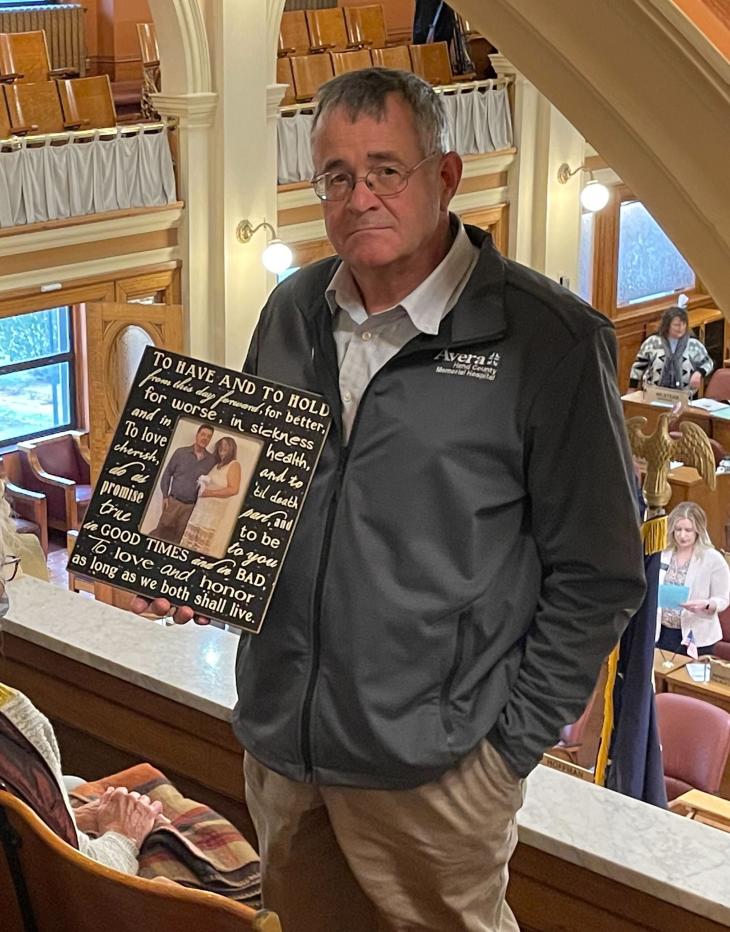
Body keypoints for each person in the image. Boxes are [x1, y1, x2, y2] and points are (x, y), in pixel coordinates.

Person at [138, 68, 646, 931]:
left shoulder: (547, 340)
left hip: (436, 774)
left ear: (443, 177)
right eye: (337, 176)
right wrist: (189, 566)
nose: (360, 197)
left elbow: (600, 574)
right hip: (286, 752)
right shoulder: (293, 309)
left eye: (386, 170)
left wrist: (504, 749)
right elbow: (251, 491)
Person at [0, 485, 259, 896]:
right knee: (210, 844)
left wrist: (72, 814)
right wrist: (123, 834)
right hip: (42, 898)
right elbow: (84, 875)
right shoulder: (3, 714)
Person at [656, 501, 729, 656]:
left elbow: (723, 598)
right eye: (678, 530)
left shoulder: (713, 559)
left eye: (688, 530)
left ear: (698, 531)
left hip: (697, 634)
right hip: (662, 632)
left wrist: (708, 604)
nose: (682, 535)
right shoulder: (663, 553)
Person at [148, 422, 216, 544]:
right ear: (197, 435)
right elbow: (167, 474)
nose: (205, 438)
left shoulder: (211, 460)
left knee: (180, 539)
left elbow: (211, 482)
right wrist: (165, 496)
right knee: (161, 533)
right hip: (174, 502)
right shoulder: (180, 453)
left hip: (191, 507)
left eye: (208, 436)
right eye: (203, 434)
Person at [628, 305, 714, 394]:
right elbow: (638, 366)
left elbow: (708, 363)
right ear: (667, 325)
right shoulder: (652, 342)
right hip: (652, 394)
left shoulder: (693, 344)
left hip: (685, 396)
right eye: (676, 325)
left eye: (684, 324)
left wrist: (699, 373)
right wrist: (632, 388)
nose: (681, 328)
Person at [180, 436, 242, 554]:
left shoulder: (234, 464)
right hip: (200, 511)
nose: (222, 449)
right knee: (189, 543)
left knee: (201, 546)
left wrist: (209, 493)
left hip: (211, 515)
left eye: (226, 446)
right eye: (220, 446)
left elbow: (234, 489)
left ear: (232, 449)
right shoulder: (217, 465)